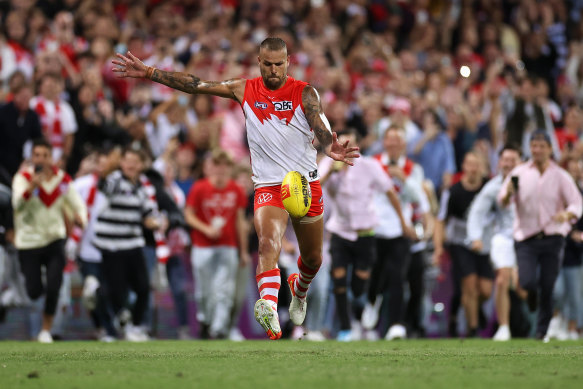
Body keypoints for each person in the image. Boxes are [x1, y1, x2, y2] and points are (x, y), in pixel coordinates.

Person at [112, 37, 359, 340]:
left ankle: (299, 289)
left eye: (278, 64)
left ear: (288, 62)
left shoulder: (304, 92)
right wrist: (150, 72)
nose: (273, 70)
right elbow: (196, 85)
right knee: (268, 242)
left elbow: (319, 125)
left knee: (314, 259)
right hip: (269, 185)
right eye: (267, 64)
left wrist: (328, 147)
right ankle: (268, 304)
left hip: (304, 184)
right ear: (258, 62)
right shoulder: (244, 88)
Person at [319, 130, 409, 341]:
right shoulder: (328, 164)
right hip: (340, 231)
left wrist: (403, 222)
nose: (343, 149)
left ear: (356, 146)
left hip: (365, 232)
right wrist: (332, 170)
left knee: (359, 286)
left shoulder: (369, 166)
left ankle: (361, 316)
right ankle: (345, 328)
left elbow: (389, 192)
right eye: (339, 145)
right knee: (339, 280)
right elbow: (315, 187)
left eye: (347, 145)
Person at [498, 130, 583, 340]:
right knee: (526, 281)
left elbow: (576, 202)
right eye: (534, 146)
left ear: (550, 149)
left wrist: (568, 213)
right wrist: (508, 193)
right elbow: (503, 201)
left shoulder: (560, 175)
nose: (537, 150)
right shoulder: (519, 173)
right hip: (525, 236)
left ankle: (541, 331)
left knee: (549, 285)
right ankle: (531, 295)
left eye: (541, 146)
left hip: (553, 237)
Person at [11, 138, 87, 343]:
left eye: (45, 155)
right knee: (34, 291)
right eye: (38, 155)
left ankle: (45, 330)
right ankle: (36, 304)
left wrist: (81, 218)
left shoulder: (62, 180)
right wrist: (31, 188)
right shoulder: (22, 178)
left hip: (54, 239)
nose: (42, 159)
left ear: (51, 157)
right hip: (28, 242)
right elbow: (17, 205)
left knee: (55, 284)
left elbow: (78, 204)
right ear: (32, 157)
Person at [361, 125, 429, 340]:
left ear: (404, 145)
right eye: (389, 140)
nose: (393, 145)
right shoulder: (373, 164)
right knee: (376, 275)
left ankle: (396, 325)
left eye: (397, 141)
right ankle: (372, 300)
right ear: (384, 142)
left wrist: (404, 180)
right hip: (376, 228)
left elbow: (420, 199)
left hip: (401, 230)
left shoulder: (412, 168)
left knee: (398, 276)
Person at [92, 147, 162, 342]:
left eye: (135, 161)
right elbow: (104, 186)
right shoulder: (115, 180)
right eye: (127, 161)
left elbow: (147, 215)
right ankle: (118, 325)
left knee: (142, 288)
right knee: (118, 290)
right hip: (112, 245)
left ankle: (135, 326)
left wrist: (157, 223)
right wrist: (107, 168)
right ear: (122, 163)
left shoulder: (141, 187)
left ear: (141, 165)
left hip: (132, 243)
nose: (131, 165)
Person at [184, 149, 250, 339]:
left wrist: (243, 251)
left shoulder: (236, 190)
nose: (221, 170)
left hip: (227, 245)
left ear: (230, 169)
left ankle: (218, 329)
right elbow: (188, 214)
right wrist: (206, 229)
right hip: (202, 245)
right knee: (203, 291)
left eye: (225, 166)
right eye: (217, 165)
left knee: (224, 289)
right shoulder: (199, 188)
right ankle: (205, 319)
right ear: (210, 168)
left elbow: (240, 222)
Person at [466, 145, 522, 341]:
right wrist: (475, 237)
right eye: (504, 160)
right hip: (504, 237)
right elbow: (477, 212)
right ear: (499, 163)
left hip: (529, 238)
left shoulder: (533, 182)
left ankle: (546, 322)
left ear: (521, 162)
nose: (507, 164)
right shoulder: (492, 187)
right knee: (501, 279)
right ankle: (504, 327)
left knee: (525, 288)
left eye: (512, 160)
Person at [433, 151, 492, 338]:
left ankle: (478, 309)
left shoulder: (489, 189)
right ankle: (472, 329)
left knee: (485, 290)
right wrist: (438, 247)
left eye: (477, 165)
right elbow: (440, 220)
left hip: (484, 242)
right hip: (460, 243)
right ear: (464, 167)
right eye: (470, 165)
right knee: (469, 286)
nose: (473, 169)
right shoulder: (453, 192)